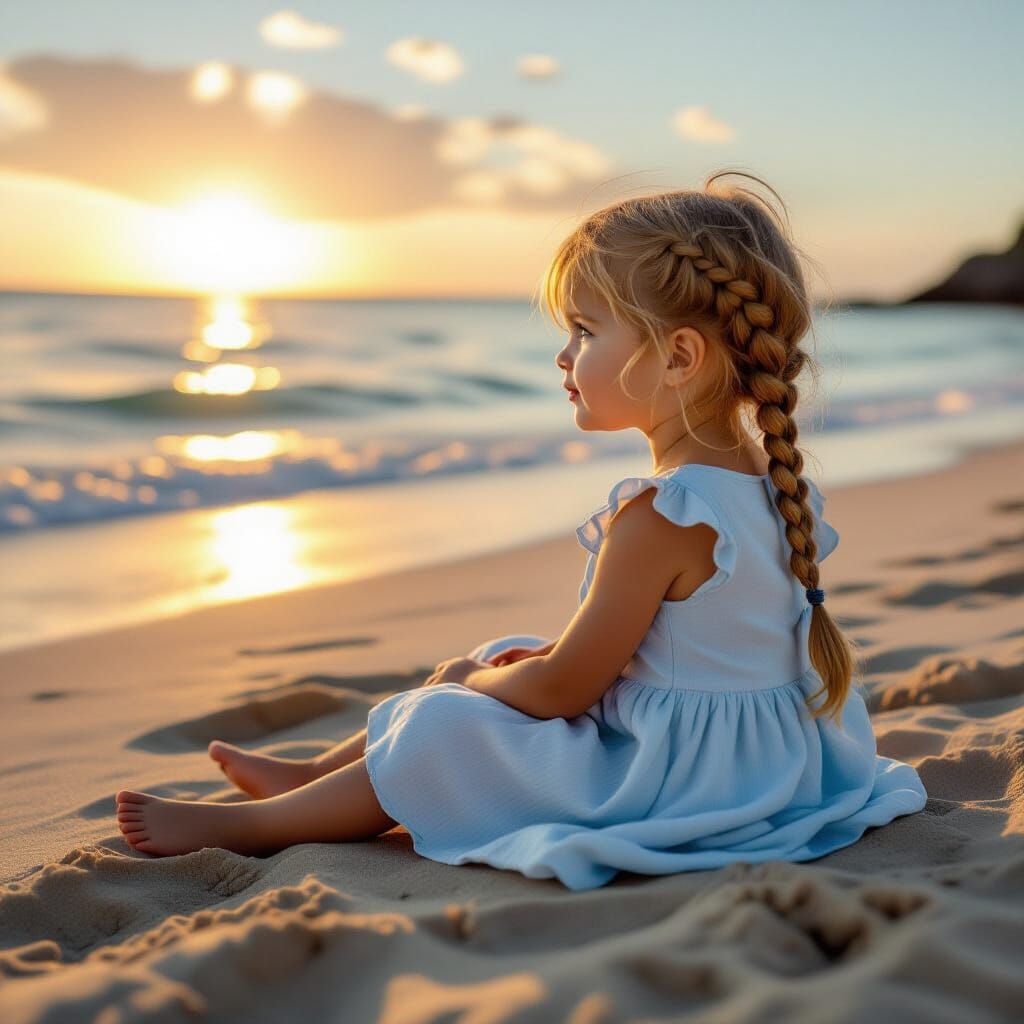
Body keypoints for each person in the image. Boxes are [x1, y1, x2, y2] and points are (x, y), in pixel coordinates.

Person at [115, 171, 928, 890]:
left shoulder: (662, 513)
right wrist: (500, 667)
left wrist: (474, 684)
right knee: (500, 652)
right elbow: (692, 643)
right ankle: (319, 777)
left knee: (449, 715)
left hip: (679, 780)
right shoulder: (774, 485)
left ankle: (259, 828)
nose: (563, 355)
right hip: (773, 755)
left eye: (584, 330)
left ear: (679, 356)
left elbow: (565, 690)